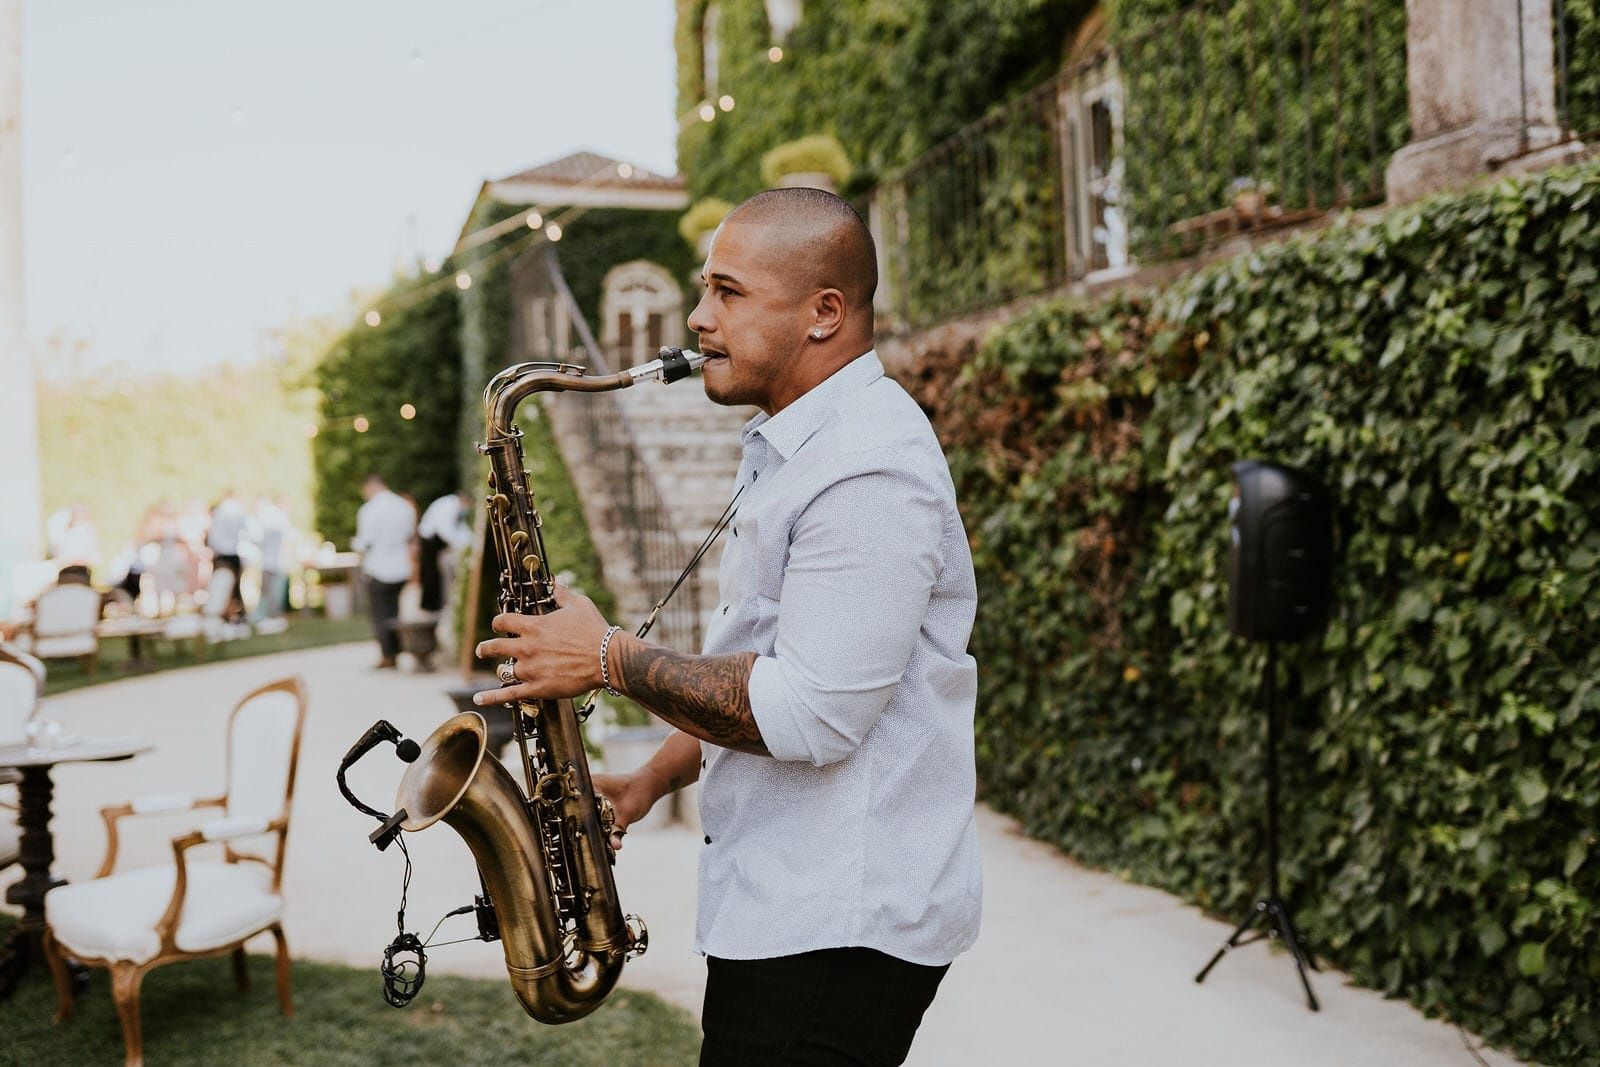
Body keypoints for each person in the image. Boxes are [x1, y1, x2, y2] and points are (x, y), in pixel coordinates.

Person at [472, 188, 981, 1065]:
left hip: (838, 926)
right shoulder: (799, 443)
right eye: (703, 289)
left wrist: (606, 657)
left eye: (728, 293)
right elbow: (764, 664)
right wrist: (651, 778)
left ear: (826, 312)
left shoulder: (869, 472)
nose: (699, 318)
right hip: (794, 906)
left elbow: (813, 711)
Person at [352, 474, 416, 669]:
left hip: (378, 568)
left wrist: (355, 544)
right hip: (400, 567)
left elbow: (364, 542)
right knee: (394, 611)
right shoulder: (404, 507)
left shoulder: (369, 510)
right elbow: (409, 536)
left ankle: (388, 655)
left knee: (380, 614)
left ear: (370, 487)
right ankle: (398, 650)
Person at [416, 489, 473, 614]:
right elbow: (446, 530)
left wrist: (470, 542)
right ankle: (430, 607)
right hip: (430, 539)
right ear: (464, 500)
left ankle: (434, 605)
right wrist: (459, 546)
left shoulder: (454, 507)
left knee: (435, 572)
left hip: (435, 539)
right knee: (431, 572)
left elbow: (461, 529)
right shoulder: (449, 506)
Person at [207, 491, 250, 623]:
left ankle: (225, 615)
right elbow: (245, 531)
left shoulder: (219, 512)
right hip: (234, 553)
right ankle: (238, 614)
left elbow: (213, 537)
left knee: (223, 587)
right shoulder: (239, 511)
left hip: (222, 555)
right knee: (235, 588)